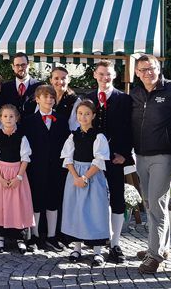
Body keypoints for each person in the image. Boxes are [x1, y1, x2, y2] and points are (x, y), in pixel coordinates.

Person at [131, 54, 171, 273]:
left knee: (156, 203)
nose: (148, 72)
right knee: (150, 202)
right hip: (141, 155)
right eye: (143, 69)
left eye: (152, 68)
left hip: (165, 156)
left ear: (159, 68)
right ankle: (161, 246)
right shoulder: (136, 93)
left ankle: (154, 255)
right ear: (137, 73)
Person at [85, 60, 133, 264]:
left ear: (114, 76)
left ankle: (115, 244)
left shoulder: (124, 99)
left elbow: (131, 129)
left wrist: (125, 154)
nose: (105, 78)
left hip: (115, 159)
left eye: (109, 74)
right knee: (94, 199)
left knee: (117, 199)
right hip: (92, 160)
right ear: (95, 75)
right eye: (102, 74)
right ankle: (94, 238)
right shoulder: (87, 99)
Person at [61, 99, 110, 266]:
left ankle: (98, 251)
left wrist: (85, 177)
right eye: (80, 113)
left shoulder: (99, 136)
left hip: (92, 176)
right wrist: (76, 177)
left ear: (93, 116)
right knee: (76, 210)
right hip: (75, 177)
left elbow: (99, 160)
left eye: (87, 114)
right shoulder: (72, 135)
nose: (83, 117)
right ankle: (76, 248)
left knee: (95, 210)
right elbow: (68, 159)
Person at [23, 85, 70, 252]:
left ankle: (52, 236)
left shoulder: (62, 120)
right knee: (36, 202)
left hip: (56, 169)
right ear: (37, 99)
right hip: (35, 168)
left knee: (53, 201)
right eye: (45, 97)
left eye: (52, 97)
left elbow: (66, 145)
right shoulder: (28, 121)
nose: (49, 100)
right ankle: (34, 236)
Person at [0, 104, 34, 254]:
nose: (8, 119)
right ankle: (0, 238)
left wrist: (18, 177)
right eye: (5, 116)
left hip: (17, 175)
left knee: (17, 205)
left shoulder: (22, 137)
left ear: (17, 119)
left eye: (11, 116)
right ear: (0, 118)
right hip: (0, 175)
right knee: (0, 205)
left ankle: (20, 238)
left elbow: (25, 158)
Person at [50, 66, 80, 131]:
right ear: (51, 80)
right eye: (56, 78)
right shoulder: (45, 97)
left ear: (68, 80)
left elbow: (73, 127)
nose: (60, 82)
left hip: (66, 138)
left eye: (63, 78)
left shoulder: (75, 101)